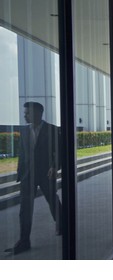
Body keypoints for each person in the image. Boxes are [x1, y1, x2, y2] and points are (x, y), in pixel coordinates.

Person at [5, 102, 62, 255]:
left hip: (46, 173)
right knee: (25, 208)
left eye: (27, 113)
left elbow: (59, 150)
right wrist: (20, 172)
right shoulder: (23, 131)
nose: (24, 115)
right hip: (27, 174)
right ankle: (24, 240)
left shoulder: (52, 129)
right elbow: (22, 153)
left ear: (37, 113)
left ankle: (61, 224)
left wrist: (55, 166)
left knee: (52, 199)